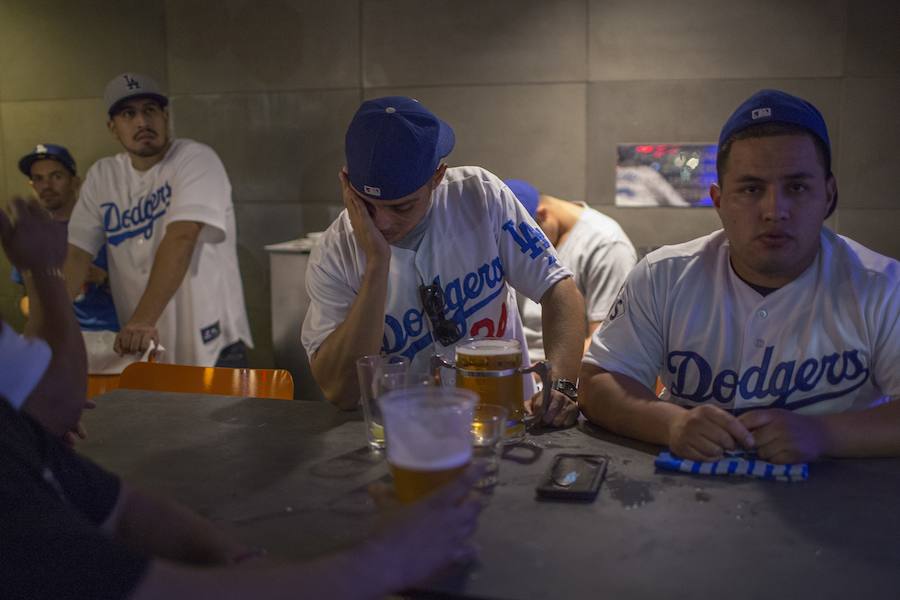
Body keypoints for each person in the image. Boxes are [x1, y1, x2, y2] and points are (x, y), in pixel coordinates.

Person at [0, 196, 484, 600]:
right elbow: (163, 590)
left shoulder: (22, 446)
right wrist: (387, 560)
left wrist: (235, 555)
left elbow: (119, 505)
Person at [579, 89, 899, 464]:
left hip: (840, 505)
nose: (774, 210)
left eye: (796, 187)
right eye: (751, 189)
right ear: (718, 200)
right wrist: (671, 424)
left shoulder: (883, 284)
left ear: (829, 196)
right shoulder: (662, 275)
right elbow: (599, 382)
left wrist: (824, 434)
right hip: (682, 499)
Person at [301, 97, 586, 427]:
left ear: (437, 177)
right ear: (346, 183)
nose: (382, 222)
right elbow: (341, 391)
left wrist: (563, 384)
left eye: (402, 207)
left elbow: (558, 289)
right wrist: (377, 265)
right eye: (367, 205)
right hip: (404, 432)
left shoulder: (479, 195)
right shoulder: (335, 252)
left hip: (504, 421)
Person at [62, 72, 252, 367]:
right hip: (145, 348)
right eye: (129, 113)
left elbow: (182, 236)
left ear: (165, 116)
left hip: (210, 345)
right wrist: (49, 325)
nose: (142, 122)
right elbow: (76, 254)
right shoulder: (103, 176)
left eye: (150, 110)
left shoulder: (196, 159)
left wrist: (141, 321)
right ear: (113, 127)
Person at [504, 179, 637, 358]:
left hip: (564, 375)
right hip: (514, 363)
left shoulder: (607, 245)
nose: (521, 249)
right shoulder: (528, 237)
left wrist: (546, 374)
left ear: (542, 215)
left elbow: (606, 342)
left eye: (524, 239)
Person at [14, 143, 119, 332]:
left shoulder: (108, 225)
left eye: (56, 176)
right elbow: (26, 298)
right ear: (32, 186)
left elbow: (142, 286)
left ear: (75, 182)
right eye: (38, 179)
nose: (47, 186)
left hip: (108, 335)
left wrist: (103, 278)